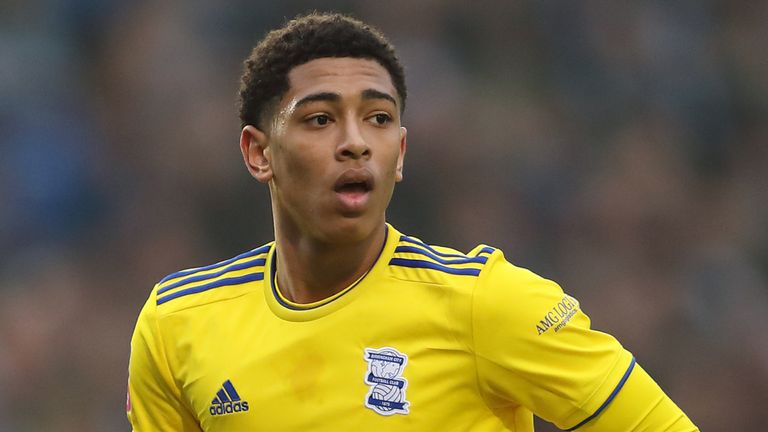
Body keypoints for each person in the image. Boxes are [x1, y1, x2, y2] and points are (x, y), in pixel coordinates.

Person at [127, 12, 699, 432]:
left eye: (378, 119)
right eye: (321, 119)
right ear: (259, 154)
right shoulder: (177, 324)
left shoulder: (485, 303)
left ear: (399, 153)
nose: (355, 144)